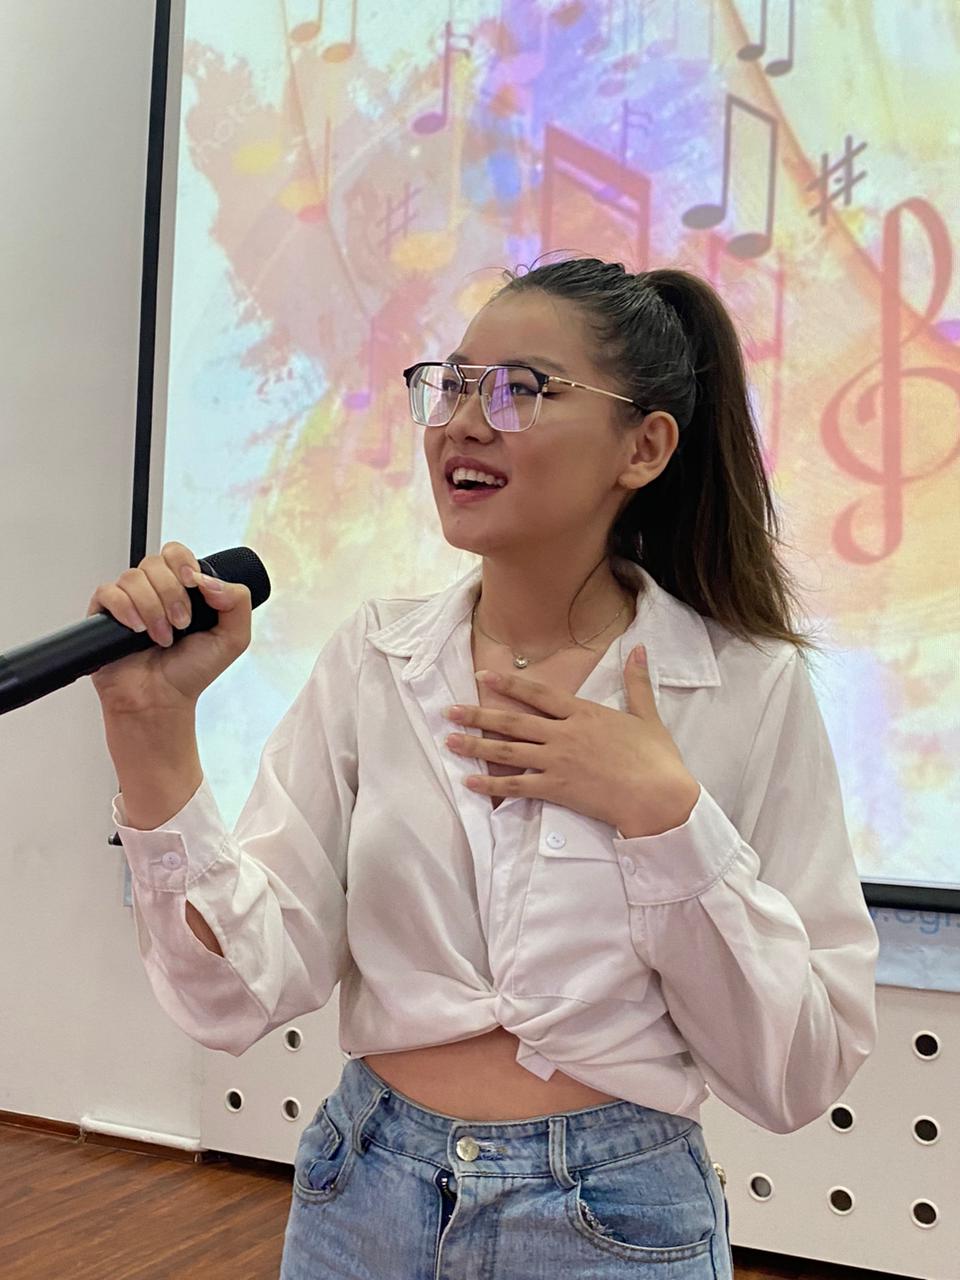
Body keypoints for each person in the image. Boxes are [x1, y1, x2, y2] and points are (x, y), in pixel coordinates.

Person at [89, 257, 879, 1279]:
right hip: (361, 1198)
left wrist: (666, 816)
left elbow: (800, 1070)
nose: (463, 421)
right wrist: (152, 732)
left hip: (613, 1221)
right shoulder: (377, 660)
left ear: (643, 447)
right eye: (453, 384)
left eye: (520, 389)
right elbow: (234, 995)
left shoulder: (747, 687)